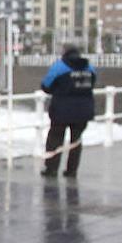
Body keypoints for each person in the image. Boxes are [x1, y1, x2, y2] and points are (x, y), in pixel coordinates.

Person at [40, 45, 97, 178]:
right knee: (76, 140)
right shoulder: (89, 68)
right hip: (83, 110)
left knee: (55, 138)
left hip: (62, 110)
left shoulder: (60, 67)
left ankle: (51, 169)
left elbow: (46, 86)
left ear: (64, 53)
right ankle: (72, 170)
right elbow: (92, 84)